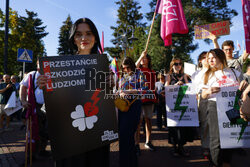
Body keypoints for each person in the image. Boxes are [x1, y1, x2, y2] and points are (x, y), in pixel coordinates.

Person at [37, 18, 110, 167]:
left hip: (96, 135)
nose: (84, 38)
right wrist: (45, 85)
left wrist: (110, 87)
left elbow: (101, 101)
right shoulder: (60, 66)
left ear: (95, 38)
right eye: (79, 34)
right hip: (70, 138)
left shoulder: (102, 66)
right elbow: (58, 102)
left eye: (88, 33)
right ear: (73, 39)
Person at [201, 49, 242, 167]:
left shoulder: (234, 73)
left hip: (232, 107)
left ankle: (226, 162)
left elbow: (242, 88)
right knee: (216, 139)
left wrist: (243, 88)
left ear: (220, 57)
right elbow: (203, 95)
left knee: (230, 136)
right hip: (215, 106)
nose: (210, 60)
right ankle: (215, 163)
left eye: (213, 57)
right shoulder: (208, 74)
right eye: (208, 58)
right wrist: (209, 90)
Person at [117, 57, 148, 167]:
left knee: (129, 135)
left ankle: (131, 162)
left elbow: (144, 90)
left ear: (132, 66)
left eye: (128, 67)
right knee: (123, 135)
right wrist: (119, 93)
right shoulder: (122, 76)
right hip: (122, 107)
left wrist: (128, 91)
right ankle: (125, 161)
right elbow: (119, 89)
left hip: (134, 106)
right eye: (123, 68)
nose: (125, 70)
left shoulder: (139, 74)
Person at [19, 60, 50, 160]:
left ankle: (42, 150)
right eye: (39, 64)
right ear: (37, 65)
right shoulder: (32, 74)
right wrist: (23, 101)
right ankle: (30, 154)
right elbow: (23, 87)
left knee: (45, 130)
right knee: (32, 130)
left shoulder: (53, 74)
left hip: (49, 107)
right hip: (34, 106)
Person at [165, 58, 193, 157]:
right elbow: (166, 88)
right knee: (174, 127)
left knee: (183, 127)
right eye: (175, 64)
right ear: (172, 66)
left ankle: (181, 147)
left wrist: (184, 83)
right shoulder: (169, 76)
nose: (178, 65)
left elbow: (190, 87)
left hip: (184, 105)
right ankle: (175, 148)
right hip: (173, 107)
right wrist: (175, 85)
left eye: (179, 64)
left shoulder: (185, 75)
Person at [135, 51, 157, 153]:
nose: (143, 59)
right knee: (138, 122)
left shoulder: (152, 71)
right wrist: (141, 55)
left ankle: (148, 141)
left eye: (145, 58)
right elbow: (134, 66)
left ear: (148, 60)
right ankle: (136, 143)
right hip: (139, 98)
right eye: (142, 58)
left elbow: (153, 85)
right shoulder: (137, 69)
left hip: (149, 98)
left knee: (148, 120)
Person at [191, 51, 210, 158]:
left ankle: (214, 146)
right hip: (201, 99)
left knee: (213, 123)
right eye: (204, 57)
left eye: (208, 57)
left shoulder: (214, 71)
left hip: (213, 98)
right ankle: (205, 146)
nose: (207, 59)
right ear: (200, 60)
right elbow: (193, 89)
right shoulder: (195, 74)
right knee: (204, 123)